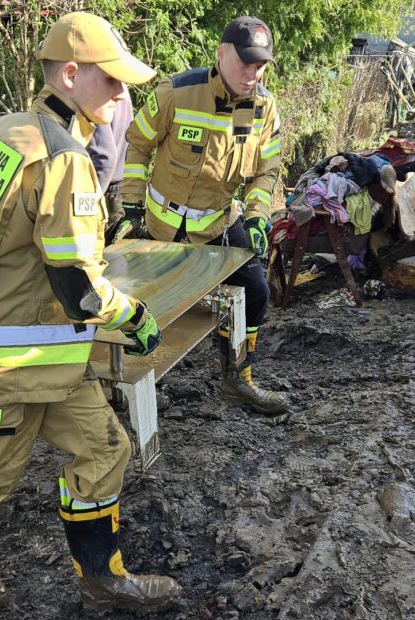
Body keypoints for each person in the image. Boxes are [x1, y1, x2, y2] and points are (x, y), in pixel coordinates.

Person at [0, 12, 181, 615]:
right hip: (5, 367)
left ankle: (102, 579)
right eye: (111, 81)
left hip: (41, 357)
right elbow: (82, 293)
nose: (122, 95)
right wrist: (136, 319)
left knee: (105, 449)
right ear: (70, 74)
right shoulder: (66, 159)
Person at [116, 16, 288, 414]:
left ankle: (237, 378)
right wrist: (130, 204)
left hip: (220, 223)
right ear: (221, 54)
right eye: (246, 62)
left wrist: (259, 213)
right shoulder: (176, 92)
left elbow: (267, 169)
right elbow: (138, 144)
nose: (253, 73)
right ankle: (125, 383)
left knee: (256, 293)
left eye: (261, 65)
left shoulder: (262, 106)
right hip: (162, 225)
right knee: (146, 303)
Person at [86, 95, 134, 241]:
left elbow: (105, 158)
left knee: (106, 253)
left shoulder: (97, 92)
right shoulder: (120, 89)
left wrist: (89, 202)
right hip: (121, 185)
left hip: (107, 188)